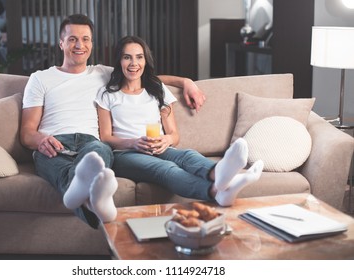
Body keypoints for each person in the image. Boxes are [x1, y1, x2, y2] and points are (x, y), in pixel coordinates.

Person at [20, 14, 206, 229]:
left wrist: (186, 82)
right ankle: (86, 198)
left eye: (86, 39)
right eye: (72, 39)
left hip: (91, 144)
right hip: (54, 144)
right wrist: (41, 140)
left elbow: (141, 75)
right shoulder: (40, 78)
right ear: (61, 43)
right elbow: (26, 133)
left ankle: (75, 196)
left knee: (100, 152)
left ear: (91, 43)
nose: (79, 45)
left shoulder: (102, 73)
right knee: (59, 166)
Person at [96, 36, 264, 206]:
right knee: (166, 169)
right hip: (125, 155)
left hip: (159, 148)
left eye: (139, 57)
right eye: (127, 57)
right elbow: (105, 137)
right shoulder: (107, 94)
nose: (134, 63)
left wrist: (166, 140)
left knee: (187, 155)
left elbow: (174, 135)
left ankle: (219, 173)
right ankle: (215, 192)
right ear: (119, 61)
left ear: (145, 60)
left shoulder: (156, 89)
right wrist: (133, 143)